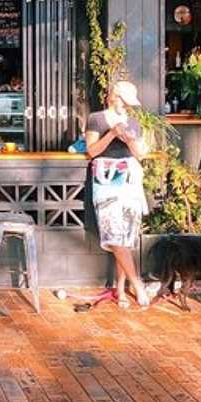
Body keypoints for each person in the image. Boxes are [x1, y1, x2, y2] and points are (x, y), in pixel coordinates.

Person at [85, 80, 150, 309]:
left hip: (130, 181)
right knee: (114, 235)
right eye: (124, 101)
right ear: (114, 97)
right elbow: (91, 152)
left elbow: (141, 154)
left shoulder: (133, 122)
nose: (127, 107)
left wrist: (130, 139)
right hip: (105, 181)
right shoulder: (96, 118)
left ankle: (121, 289)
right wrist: (112, 133)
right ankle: (137, 283)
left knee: (127, 235)